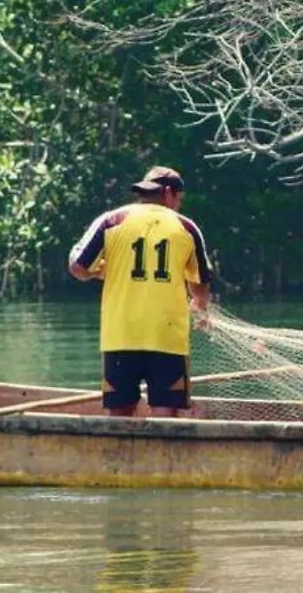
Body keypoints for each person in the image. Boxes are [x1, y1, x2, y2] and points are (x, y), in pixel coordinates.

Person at [68, 166, 213, 418]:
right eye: (179, 199)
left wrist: (95, 272)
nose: (178, 204)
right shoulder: (186, 228)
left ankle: (118, 456)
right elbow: (200, 280)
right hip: (167, 337)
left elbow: (77, 265)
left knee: (119, 411)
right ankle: (161, 456)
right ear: (169, 193)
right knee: (166, 413)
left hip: (121, 335)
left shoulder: (111, 220)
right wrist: (199, 303)